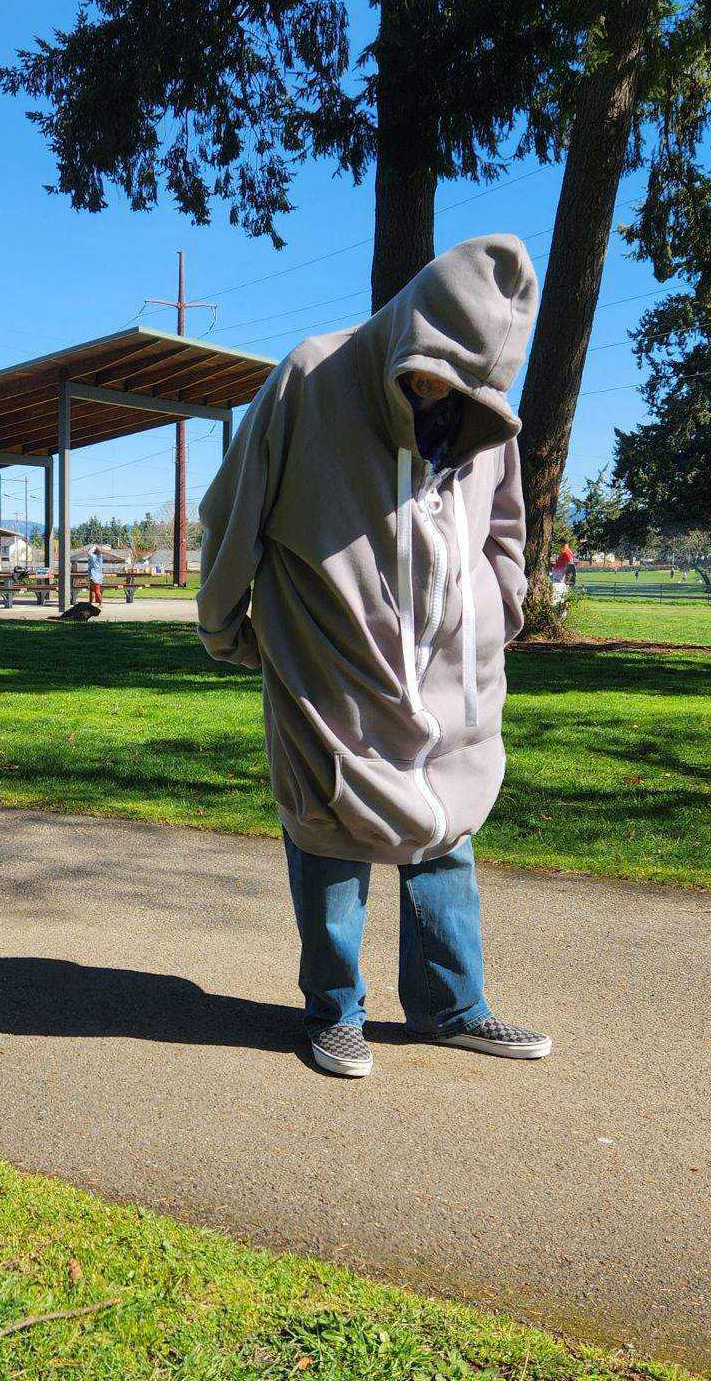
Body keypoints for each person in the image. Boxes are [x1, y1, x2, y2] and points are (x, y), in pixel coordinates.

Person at [197, 235, 552, 1078]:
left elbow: (506, 525)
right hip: (327, 662)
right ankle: (333, 1012)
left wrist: (498, 614)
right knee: (328, 829)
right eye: (431, 378)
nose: (438, 400)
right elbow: (232, 513)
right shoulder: (310, 377)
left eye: (464, 388)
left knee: (446, 830)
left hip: (451, 670)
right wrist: (226, 627)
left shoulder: (483, 418)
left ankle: (449, 1009)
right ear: (409, 326)